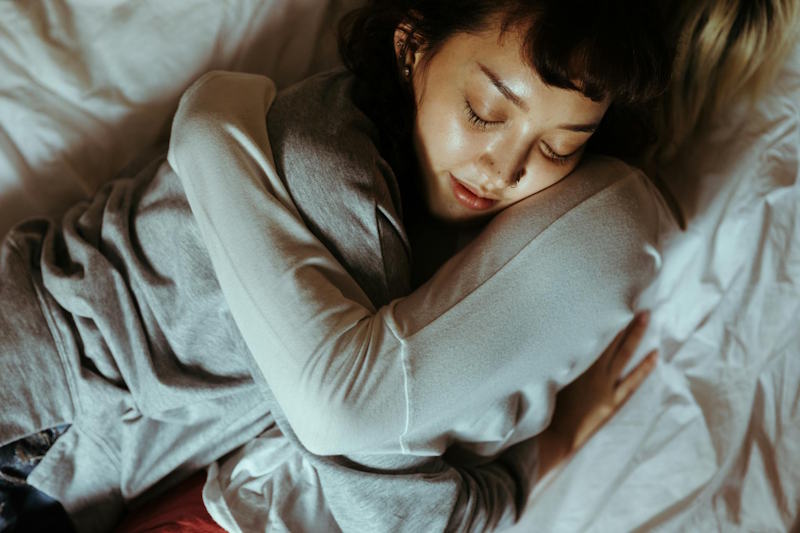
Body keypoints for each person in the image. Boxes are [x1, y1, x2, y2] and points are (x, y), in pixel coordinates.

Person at [7, 0, 783, 530]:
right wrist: (525, 468)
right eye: (485, 111)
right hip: (42, 372)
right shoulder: (322, 176)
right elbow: (373, 461)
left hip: (89, 469)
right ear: (412, 45)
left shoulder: (429, 246)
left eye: (559, 147)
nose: (507, 165)